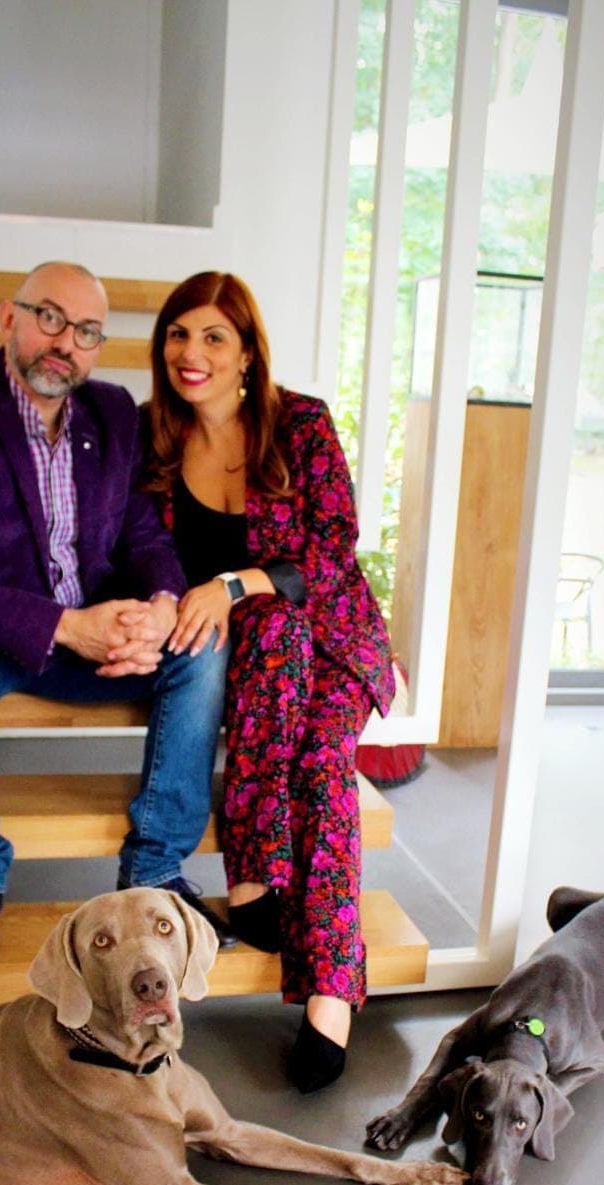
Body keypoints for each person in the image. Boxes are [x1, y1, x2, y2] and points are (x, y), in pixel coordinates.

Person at [0, 261, 234, 965]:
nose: (65, 342)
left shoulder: (112, 411)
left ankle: (155, 866)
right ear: (8, 317)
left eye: (87, 331)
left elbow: (140, 530)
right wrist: (67, 626)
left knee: (204, 640)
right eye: (49, 318)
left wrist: (162, 606)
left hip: (93, 629)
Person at [141, 270, 395, 1093]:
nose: (192, 352)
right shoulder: (154, 436)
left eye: (214, 336)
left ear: (247, 352)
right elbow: (134, 544)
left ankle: (328, 990)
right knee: (271, 642)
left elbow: (332, 549)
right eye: (179, 334)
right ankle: (259, 883)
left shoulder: (301, 423)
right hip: (258, 654)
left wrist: (233, 582)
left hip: (332, 636)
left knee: (320, 760)